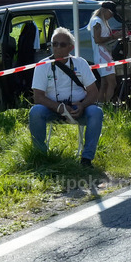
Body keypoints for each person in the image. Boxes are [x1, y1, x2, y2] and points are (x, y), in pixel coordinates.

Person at [29, 27, 104, 168]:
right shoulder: (42, 65)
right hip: (52, 108)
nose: (57, 48)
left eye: (62, 44)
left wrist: (82, 105)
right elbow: (38, 97)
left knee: (96, 112)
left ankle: (86, 159)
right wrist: (59, 107)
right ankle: (41, 156)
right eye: (54, 44)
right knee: (35, 111)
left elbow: (93, 92)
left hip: (78, 107)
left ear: (71, 47)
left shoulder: (81, 63)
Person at [89, 1, 119, 103]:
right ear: (106, 10)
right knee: (112, 82)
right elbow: (98, 39)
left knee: (104, 83)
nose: (112, 16)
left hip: (102, 55)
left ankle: (101, 104)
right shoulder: (97, 21)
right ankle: (107, 104)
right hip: (103, 55)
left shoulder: (100, 21)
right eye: (111, 13)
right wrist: (113, 37)